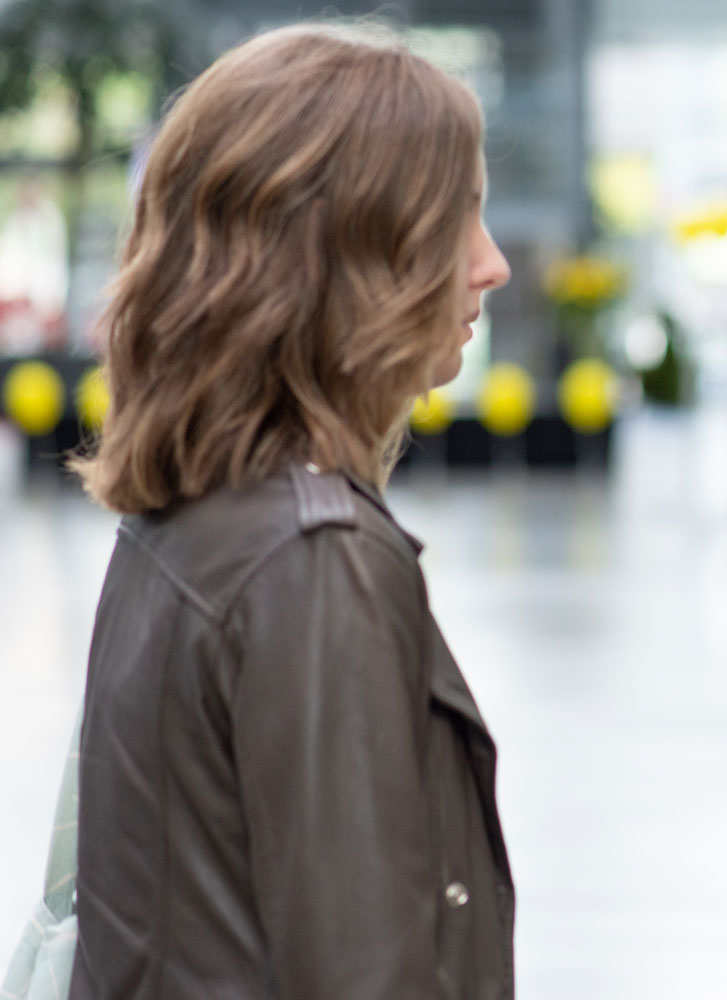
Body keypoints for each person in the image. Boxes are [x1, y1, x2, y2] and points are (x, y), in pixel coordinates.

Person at [68, 24, 515, 999]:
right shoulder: (315, 557)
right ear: (347, 247)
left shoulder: (192, 513)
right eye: (460, 216)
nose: (492, 264)